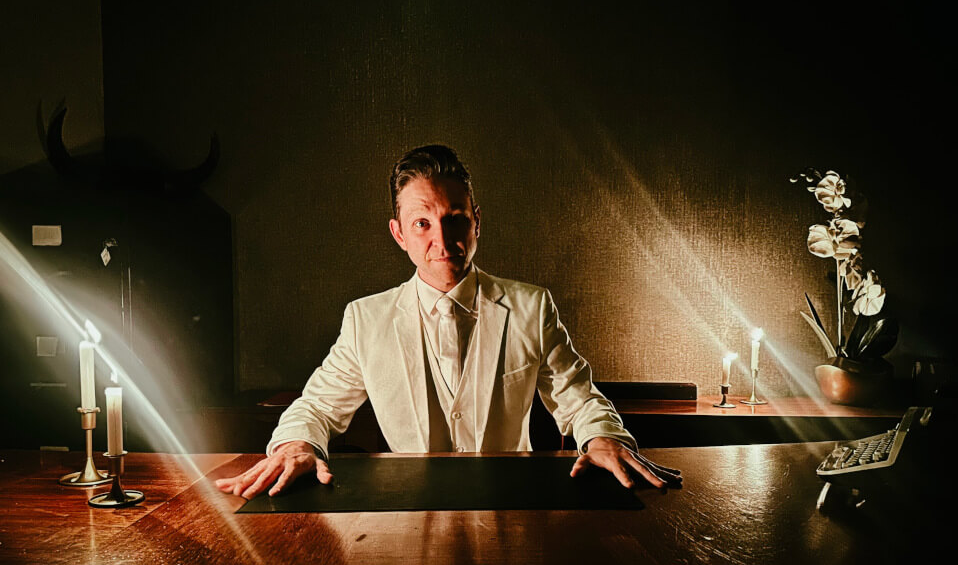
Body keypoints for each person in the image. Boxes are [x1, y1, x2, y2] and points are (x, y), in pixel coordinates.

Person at [215, 145, 681, 499]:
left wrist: (601, 437)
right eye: (422, 223)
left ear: (476, 223)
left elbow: (580, 400)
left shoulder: (532, 306)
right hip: (405, 516)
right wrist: (296, 445)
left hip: (513, 512)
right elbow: (315, 406)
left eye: (455, 219)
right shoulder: (366, 319)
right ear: (399, 233)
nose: (443, 239)